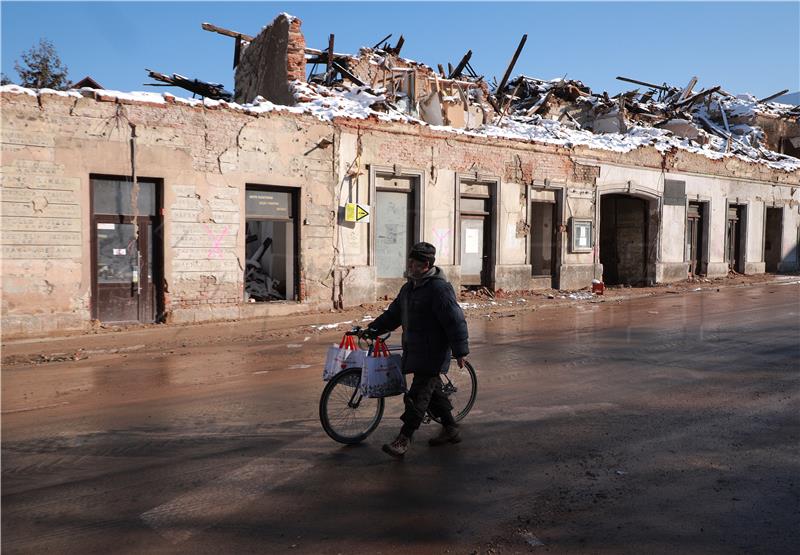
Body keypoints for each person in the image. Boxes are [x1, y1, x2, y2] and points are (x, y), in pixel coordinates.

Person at [365, 241, 469, 458]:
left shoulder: (439, 289)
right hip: (415, 349)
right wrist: (372, 330)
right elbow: (393, 315)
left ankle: (404, 438)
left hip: (434, 352)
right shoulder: (409, 288)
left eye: (413, 263)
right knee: (433, 393)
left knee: (417, 396)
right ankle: (451, 428)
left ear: (426, 264)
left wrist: (460, 351)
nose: (409, 266)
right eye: (409, 261)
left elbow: (455, 320)